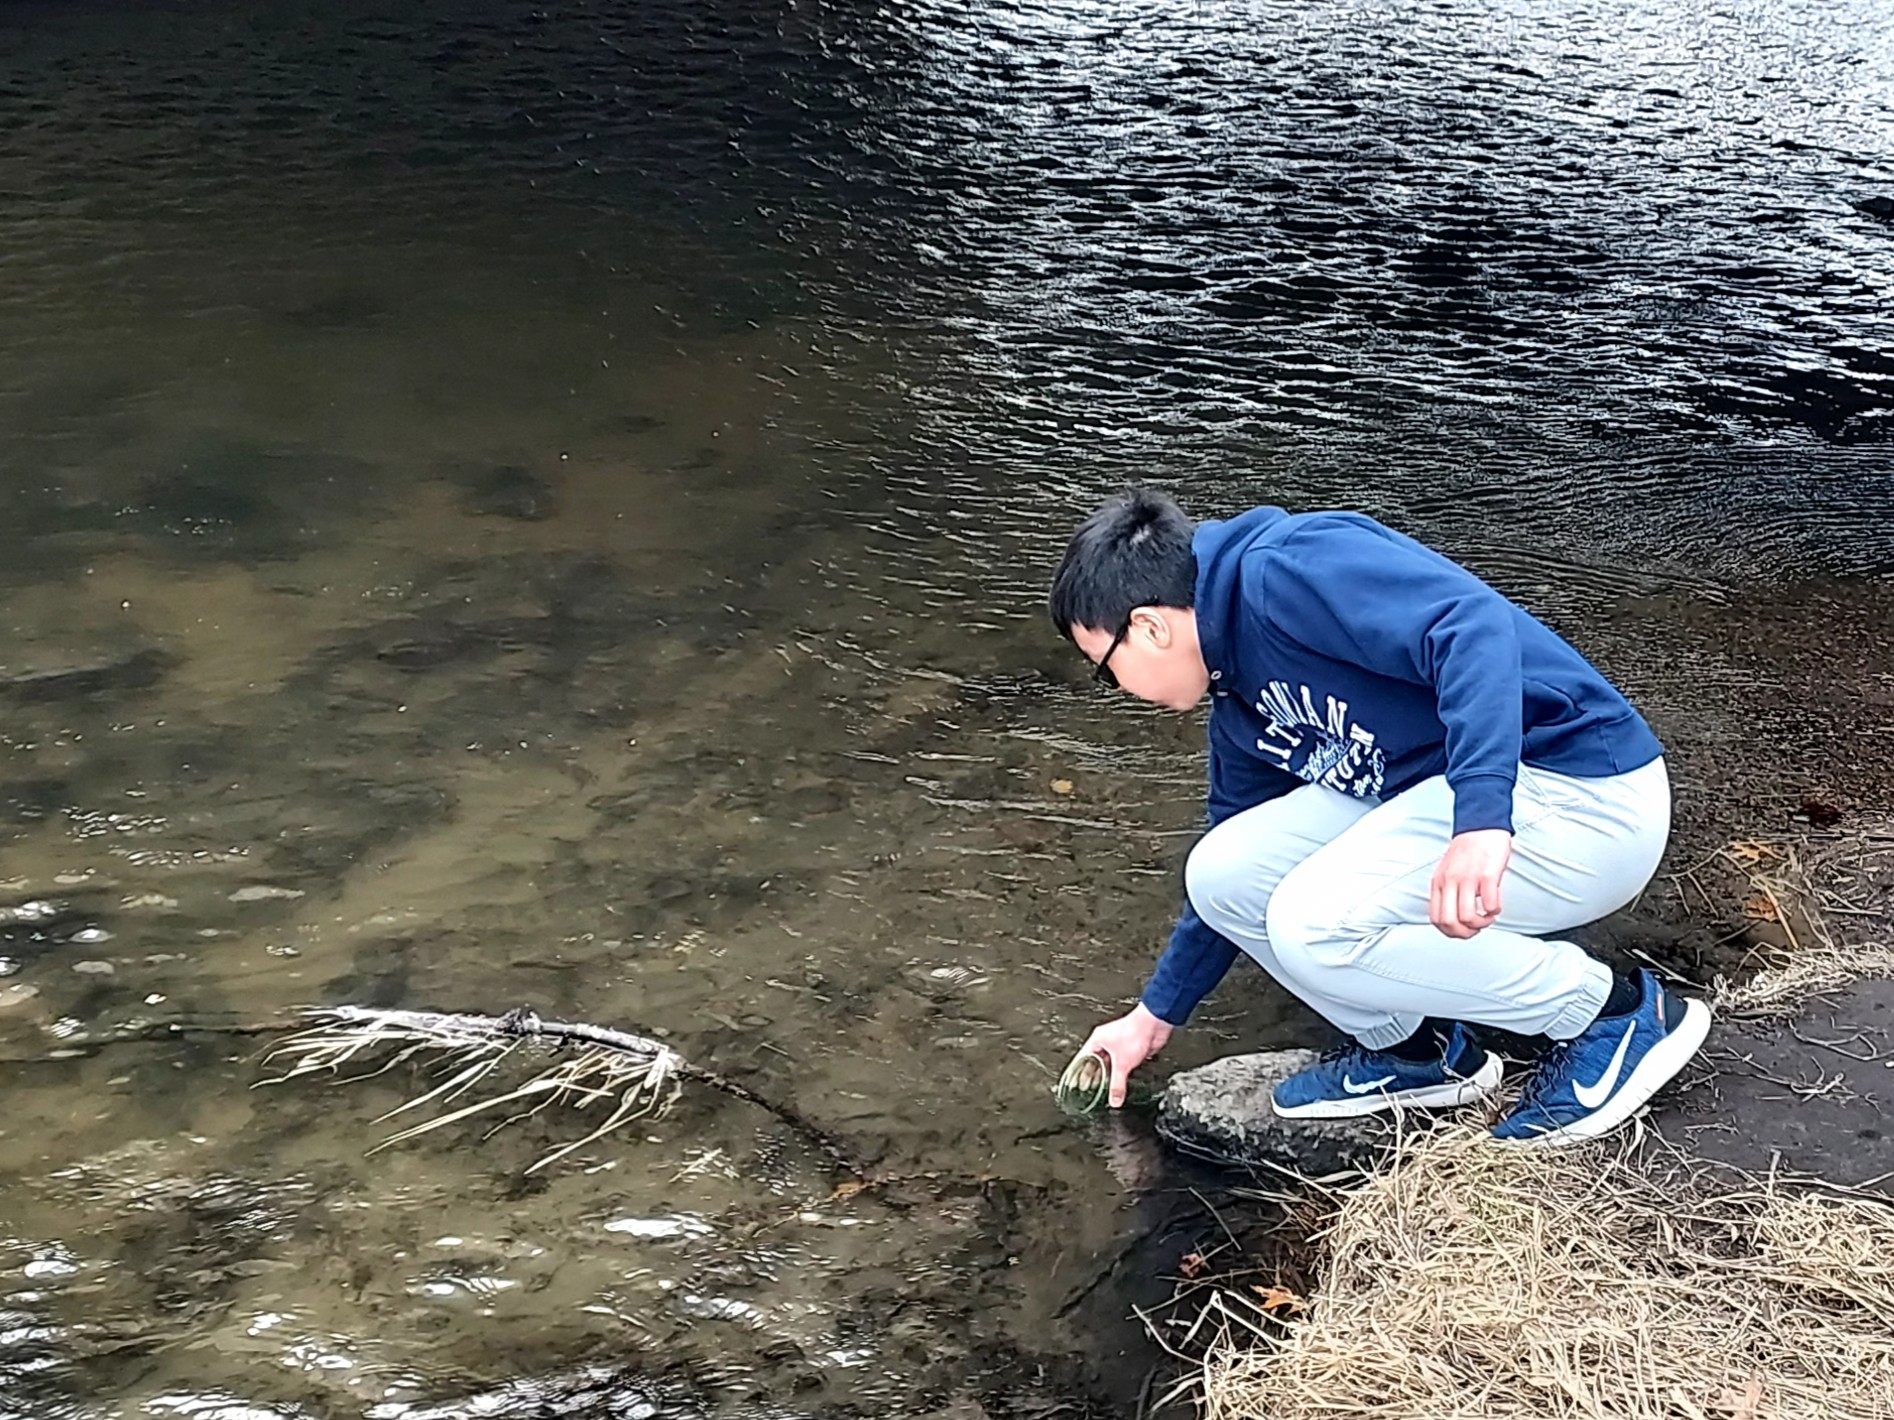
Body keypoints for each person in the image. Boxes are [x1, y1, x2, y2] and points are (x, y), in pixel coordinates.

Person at [1049, 489, 1709, 1145]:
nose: (1119, 692)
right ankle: (1416, 1052)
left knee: (1312, 923)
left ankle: (1611, 1015)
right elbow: (1226, 882)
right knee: (1223, 872)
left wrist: (1481, 820)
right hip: (1467, 799)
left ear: (1150, 628)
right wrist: (1154, 1014)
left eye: (1107, 671)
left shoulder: (1288, 570)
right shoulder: (1239, 704)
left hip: (1583, 793)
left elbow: (1469, 625)